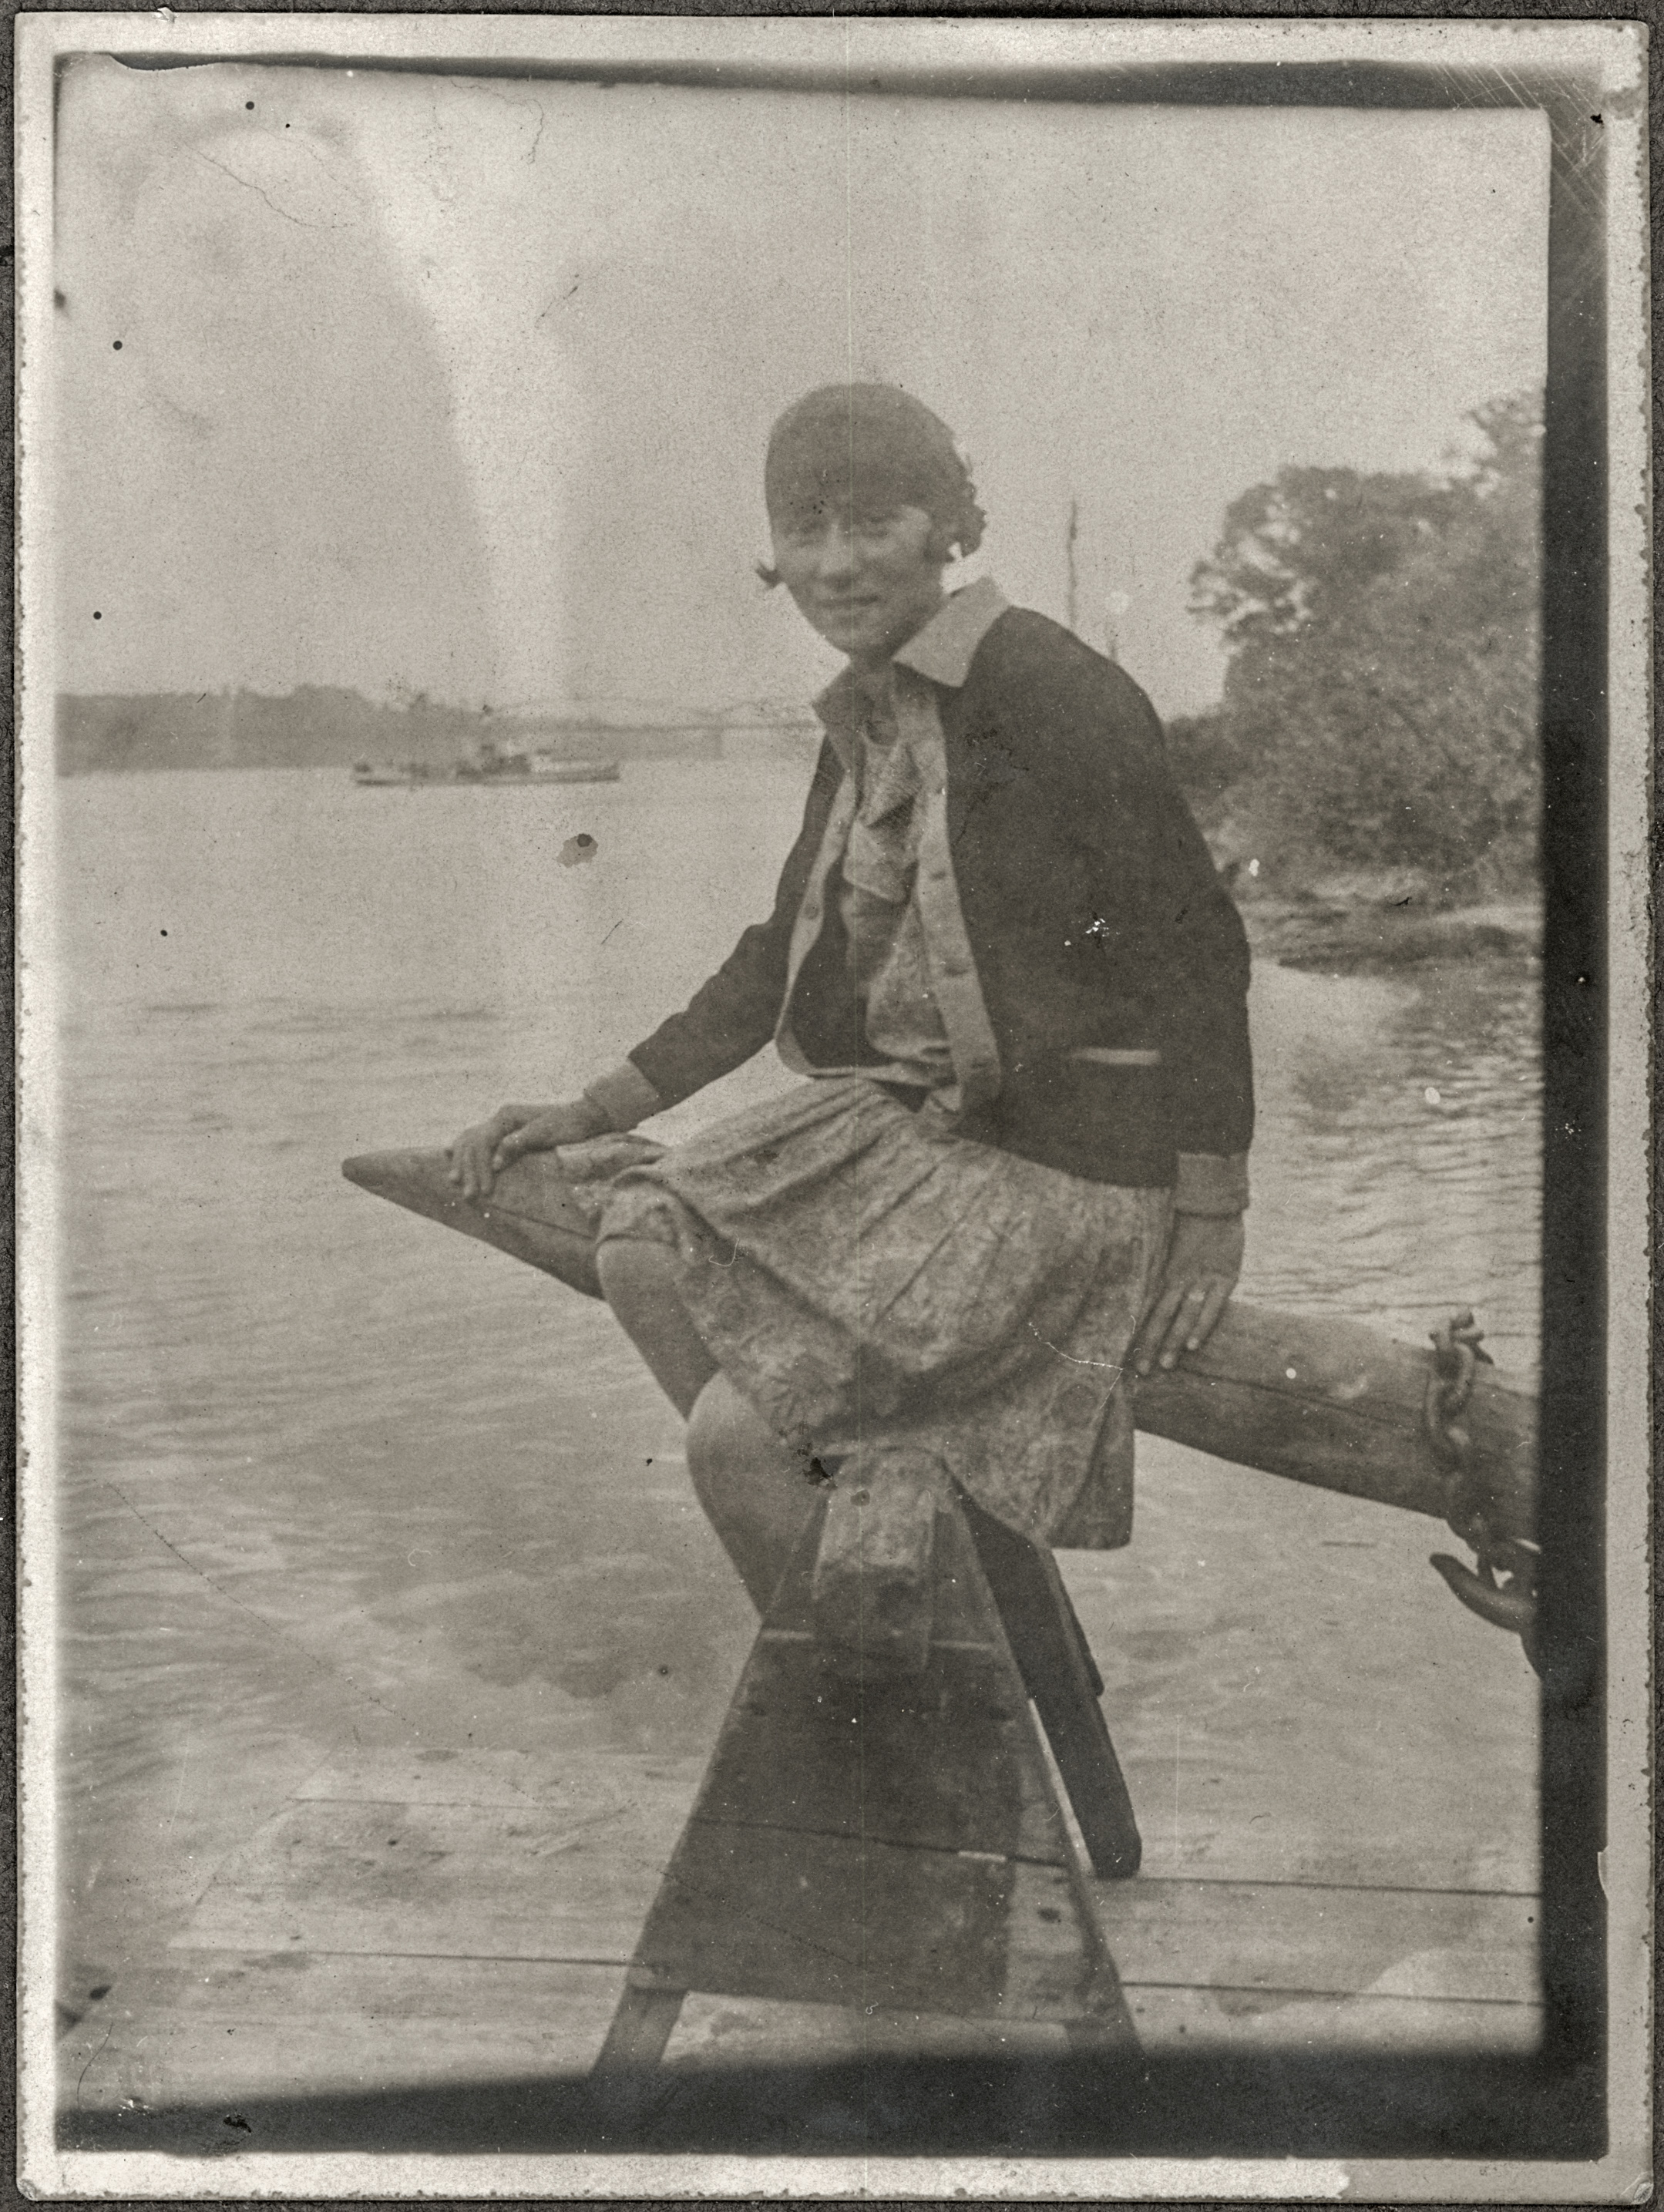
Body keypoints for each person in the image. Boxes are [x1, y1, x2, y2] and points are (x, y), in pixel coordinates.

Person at [449, 383, 1252, 1611]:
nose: (836, 564)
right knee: (640, 1245)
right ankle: (895, 1557)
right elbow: (780, 950)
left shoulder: (1052, 687)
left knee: (736, 1440)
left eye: (874, 523)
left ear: (948, 529)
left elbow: (1197, 946)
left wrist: (1211, 1211)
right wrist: (593, 1106)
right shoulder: (874, 712)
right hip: (934, 1145)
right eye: (805, 529)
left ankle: (880, 1666)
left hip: (1071, 1176)